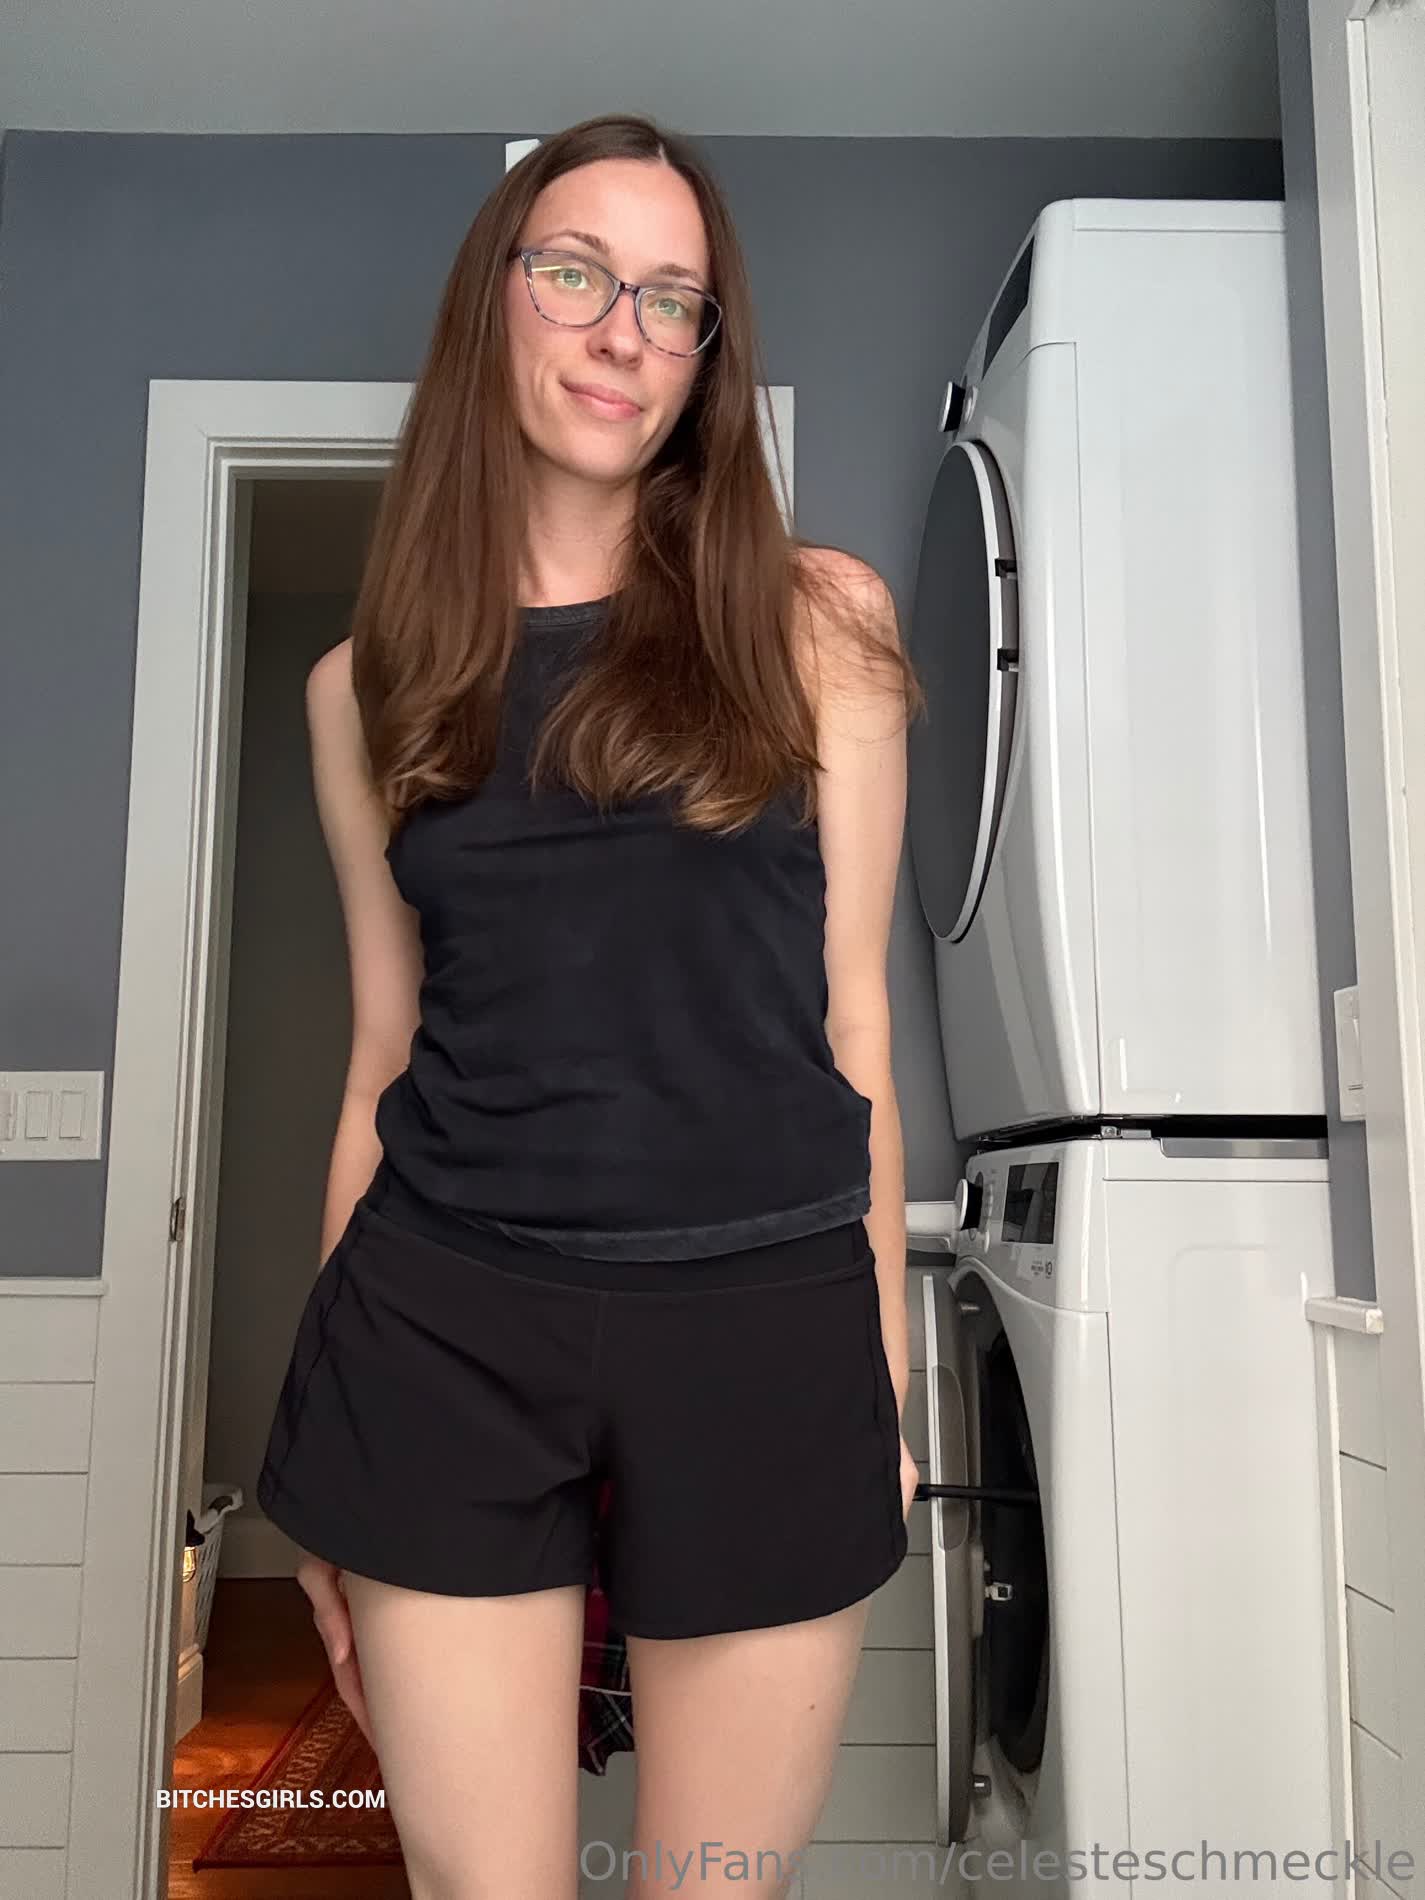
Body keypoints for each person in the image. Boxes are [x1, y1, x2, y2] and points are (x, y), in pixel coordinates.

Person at [255, 110, 926, 1900]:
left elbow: (852, 1025)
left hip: (766, 1320)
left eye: (672, 298)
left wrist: (875, 1373)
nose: (622, 330)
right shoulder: (365, 688)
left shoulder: (820, 626)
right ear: (494, 298)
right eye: (574, 274)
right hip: (440, 1329)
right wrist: (334, 1434)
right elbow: (383, 1058)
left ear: (706, 355)